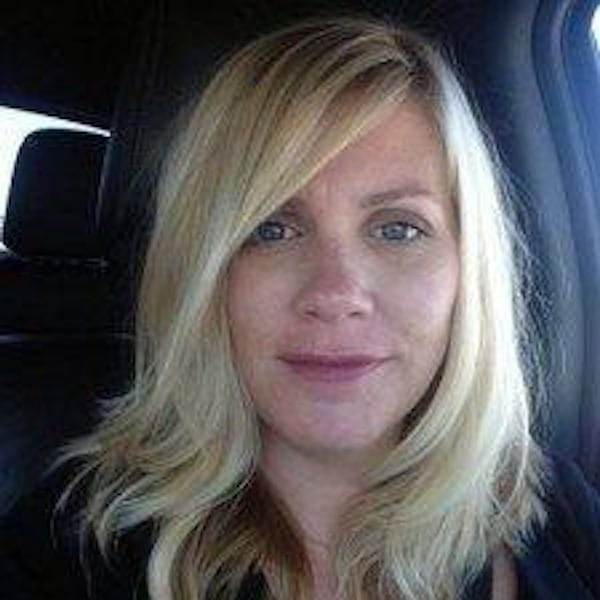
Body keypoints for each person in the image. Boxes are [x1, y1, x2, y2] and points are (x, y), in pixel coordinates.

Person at [1, 14, 599, 600]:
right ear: (204, 273)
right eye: (272, 229)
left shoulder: (567, 522)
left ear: (470, 270)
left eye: (398, 228)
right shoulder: (64, 554)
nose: (335, 294)